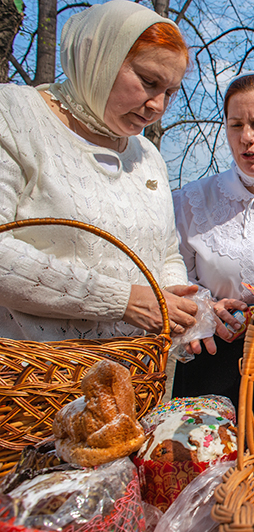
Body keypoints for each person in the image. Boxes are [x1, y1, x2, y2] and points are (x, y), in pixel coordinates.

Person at [0, 0, 209, 342]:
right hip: (33, 380)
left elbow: (166, 250)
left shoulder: (147, 155)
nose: (157, 105)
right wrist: (123, 301)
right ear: (100, 58)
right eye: (148, 81)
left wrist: (175, 296)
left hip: (133, 378)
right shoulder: (15, 115)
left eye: (170, 92)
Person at [171, 72, 254, 418]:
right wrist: (205, 311)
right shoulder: (193, 200)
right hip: (210, 362)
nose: (246, 138)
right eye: (235, 124)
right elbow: (171, 274)